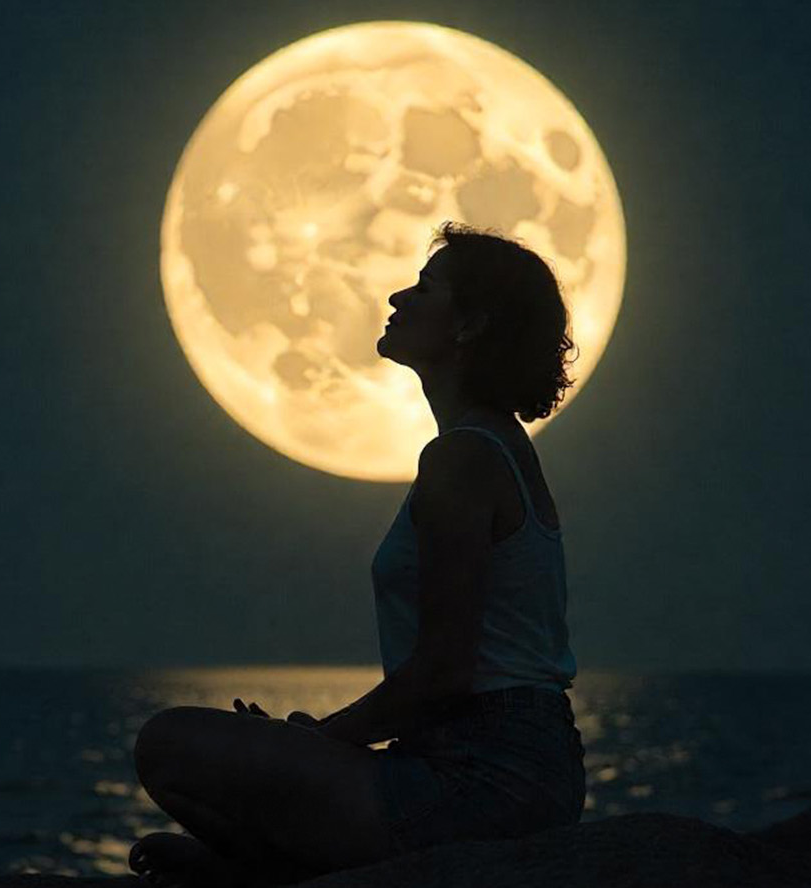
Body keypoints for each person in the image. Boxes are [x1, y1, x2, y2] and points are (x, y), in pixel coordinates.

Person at [127, 222, 587, 887]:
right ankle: (253, 865)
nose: (398, 297)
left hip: (485, 781)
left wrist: (320, 739)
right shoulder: (494, 448)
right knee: (222, 754)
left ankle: (249, 870)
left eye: (426, 287)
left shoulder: (462, 459)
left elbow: (442, 673)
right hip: (512, 763)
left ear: (469, 325)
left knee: (167, 744)